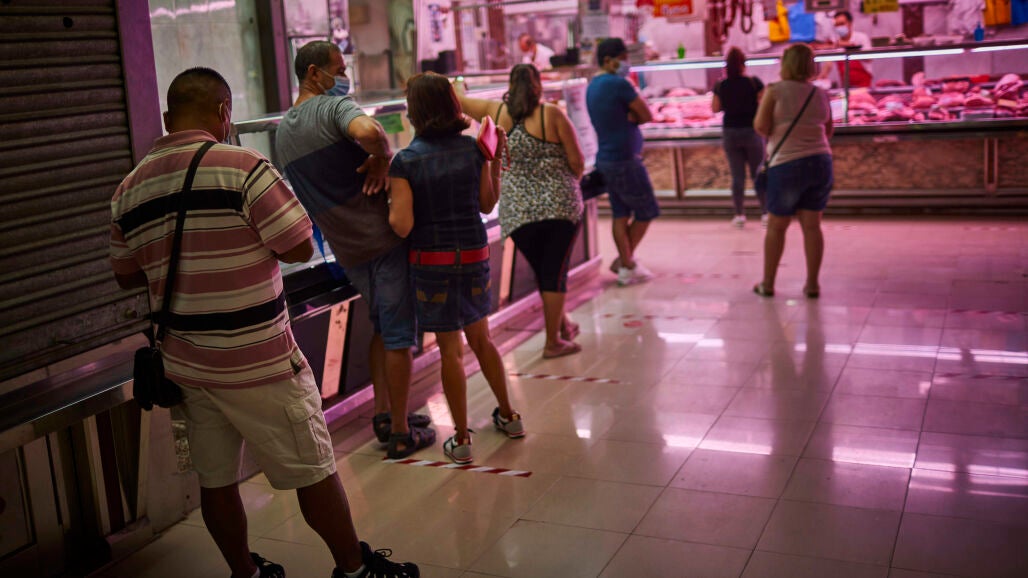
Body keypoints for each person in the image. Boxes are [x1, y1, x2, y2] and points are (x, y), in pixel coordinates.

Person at [110, 67, 418, 578]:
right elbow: (297, 246)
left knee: (215, 481)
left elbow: (126, 276)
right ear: (224, 112)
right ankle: (354, 569)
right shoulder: (244, 166)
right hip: (259, 359)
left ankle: (245, 573)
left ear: (167, 118)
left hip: (187, 362)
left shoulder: (128, 189)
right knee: (313, 469)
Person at [274, 41, 434, 460]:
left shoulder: (284, 133)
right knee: (399, 336)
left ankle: (385, 413)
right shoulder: (332, 107)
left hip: (346, 249)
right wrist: (382, 156)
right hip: (383, 239)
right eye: (339, 69)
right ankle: (400, 432)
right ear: (313, 73)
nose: (344, 78)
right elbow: (369, 132)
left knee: (382, 327)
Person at [387, 72, 525, 464]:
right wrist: (493, 162)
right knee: (482, 339)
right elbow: (487, 203)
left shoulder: (405, 161)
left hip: (432, 263)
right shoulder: (472, 150)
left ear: (415, 111)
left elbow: (402, 225)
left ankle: (462, 438)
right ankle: (509, 415)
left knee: (451, 351)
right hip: (475, 255)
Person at [458, 63, 585, 359]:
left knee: (545, 270)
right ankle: (553, 342)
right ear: (537, 85)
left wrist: (448, 82)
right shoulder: (551, 114)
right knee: (554, 273)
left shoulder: (495, 111)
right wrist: (566, 183)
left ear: (511, 85)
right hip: (559, 206)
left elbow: (458, 101)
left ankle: (562, 325)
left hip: (517, 211)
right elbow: (577, 162)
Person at [752, 44, 834, 299]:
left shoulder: (775, 90)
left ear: (785, 64)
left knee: (777, 226)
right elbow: (828, 130)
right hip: (820, 162)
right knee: (812, 226)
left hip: (787, 164)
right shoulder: (820, 93)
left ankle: (767, 284)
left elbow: (761, 126)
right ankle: (812, 284)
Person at [586, 37, 659, 287]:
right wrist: (633, 116)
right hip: (626, 160)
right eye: (623, 59)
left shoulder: (593, 86)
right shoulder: (619, 84)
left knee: (620, 213)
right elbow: (646, 114)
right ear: (608, 60)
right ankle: (625, 263)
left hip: (606, 159)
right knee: (646, 211)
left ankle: (626, 263)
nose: (626, 64)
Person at [713, 47, 767, 228]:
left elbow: (715, 108)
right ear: (744, 64)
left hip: (730, 133)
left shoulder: (721, 85)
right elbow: (765, 103)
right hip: (752, 131)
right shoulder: (753, 82)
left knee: (737, 177)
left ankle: (739, 215)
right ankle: (766, 213)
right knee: (758, 173)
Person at [818, 10, 873, 88]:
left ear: (850, 23)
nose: (839, 27)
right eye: (837, 25)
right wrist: (823, 75)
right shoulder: (835, 41)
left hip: (864, 84)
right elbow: (828, 62)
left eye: (842, 24)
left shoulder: (861, 37)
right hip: (845, 85)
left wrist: (850, 46)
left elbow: (869, 58)